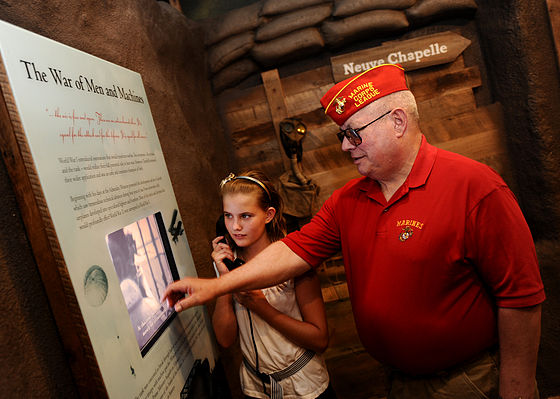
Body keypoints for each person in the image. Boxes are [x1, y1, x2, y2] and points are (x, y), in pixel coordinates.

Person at [164, 64, 545, 399]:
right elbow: (294, 251)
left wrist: (518, 387)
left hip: (468, 380)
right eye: (342, 136)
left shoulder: (474, 187)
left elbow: (521, 297)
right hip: (399, 381)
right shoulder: (348, 200)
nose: (346, 146)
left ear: (398, 122)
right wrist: (216, 287)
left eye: (354, 133)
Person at [211, 171, 335, 399]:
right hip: (256, 389)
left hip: (304, 387)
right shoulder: (228, 262)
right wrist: (224, 281)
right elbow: (225, 339)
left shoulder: (295, 262)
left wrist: (261, 307)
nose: (235, 226)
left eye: (245, 216)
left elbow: (320, 340)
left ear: (268, 215)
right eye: (228, 216)